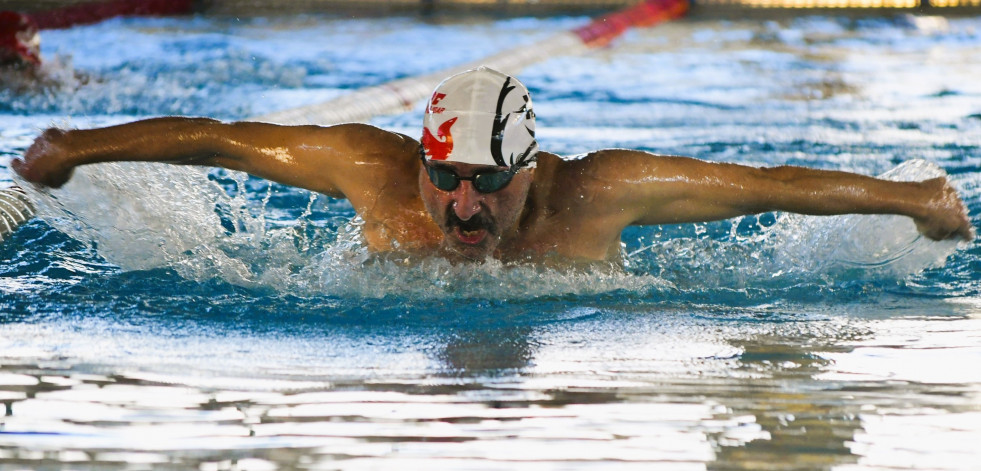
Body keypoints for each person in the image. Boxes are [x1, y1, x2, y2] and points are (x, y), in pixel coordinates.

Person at [11, 67, 974, 265]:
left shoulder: (598, 192)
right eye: (448, 180)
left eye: (488, 182)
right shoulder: (373, 167)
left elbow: (764, 189)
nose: (462, 206)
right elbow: (223, 138)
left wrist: (913, 201)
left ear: (532, 166)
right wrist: (73, 149)